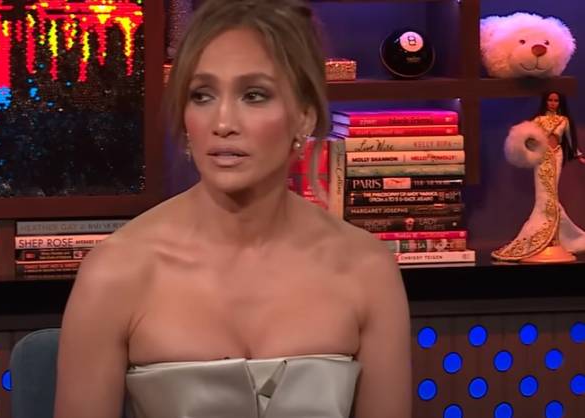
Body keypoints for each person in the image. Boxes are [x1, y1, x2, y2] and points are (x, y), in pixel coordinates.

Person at [54, 1, 411, 417]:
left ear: (304, 116)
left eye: (253, 95)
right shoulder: (115, 273)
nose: (222, 123)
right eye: (202, 96)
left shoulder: (367, 271)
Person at [492, 91, 585, 262]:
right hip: (542, 157)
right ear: (545, 101)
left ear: (560, 102)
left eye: (556, 100)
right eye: (550, 100)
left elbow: (570, 142)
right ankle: (548, 236)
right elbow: (529, 138)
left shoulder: (564, 121)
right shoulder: (538, 120)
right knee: (544, 197)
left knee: (552, 194)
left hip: (557, 156)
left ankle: (555, 237)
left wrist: (578, 155)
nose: (553, 103)